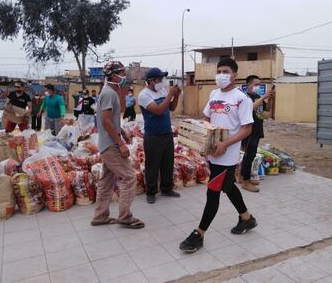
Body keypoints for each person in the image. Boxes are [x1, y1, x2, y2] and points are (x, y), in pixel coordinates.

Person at [180, 58, 257, 253]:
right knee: (228, 186)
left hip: (227, 155)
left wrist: (226, 143)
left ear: (234, 75)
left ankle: (199, 234)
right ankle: (246, 218)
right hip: (213, 153)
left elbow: (247, 129)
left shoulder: (242, 99)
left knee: (212, 193)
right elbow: (207, 118)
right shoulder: (214, 94)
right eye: (219, 71)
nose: (221, 74)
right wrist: (201, 137)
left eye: (225, 71)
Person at [91, 60, 144, 229]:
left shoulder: (109, 92)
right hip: (111, 145)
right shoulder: (109, 93)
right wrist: (120, 143)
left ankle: (100, 216)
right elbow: (106, 121)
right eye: (122, 73)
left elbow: (110, 120)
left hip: (107, 143)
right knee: (129, 177)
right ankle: (125, 216)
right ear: (113, 75)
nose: (124, 76)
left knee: (106, 181)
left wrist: (122, 130)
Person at [138, 68, 181, 204]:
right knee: (152, 165)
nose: (162, 82)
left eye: (162, 79)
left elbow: (171, 108)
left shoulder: (162, 91)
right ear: (151, 81)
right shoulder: (144, 95)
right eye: (159, 79)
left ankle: (167, 188)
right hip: (153, 136)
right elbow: (158, 110)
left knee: (167, 163)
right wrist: (170, 95)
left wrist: (177, 96)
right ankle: (151, 192)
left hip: (166, 133)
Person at [239, 75, 274, 192]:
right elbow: (251, 108)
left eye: (259, 84)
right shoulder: (245, 97)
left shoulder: (257, 96)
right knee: (248, 156)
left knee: (250, 155)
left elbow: (265, 112)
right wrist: (264, 96)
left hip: (257, 131)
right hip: (249, 131)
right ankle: (245, 182)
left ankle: (242, 177)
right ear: (249, 85)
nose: (258, 86)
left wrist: (270, 99)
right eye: (256, 84)